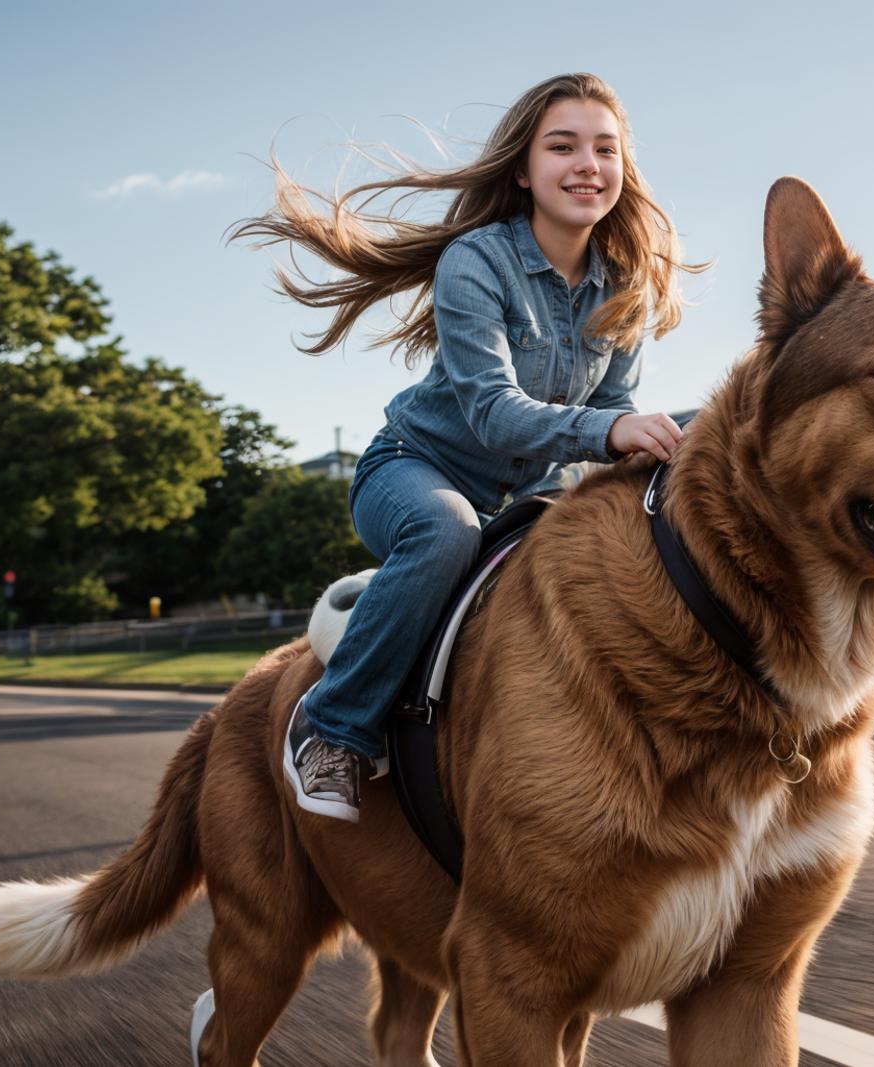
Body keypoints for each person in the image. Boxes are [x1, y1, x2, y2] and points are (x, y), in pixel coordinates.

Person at [234, 72, 702, 821]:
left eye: (605, 149)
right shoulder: (475, 262)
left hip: (521, 496)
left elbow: (612, 405)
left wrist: (647, 445)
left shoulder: (627, 287)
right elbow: (494, 412)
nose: (588, 164)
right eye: (563, 147)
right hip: (413, 471)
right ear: (523, 170)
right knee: (445, 532)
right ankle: (332, 729)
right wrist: (610, 431)